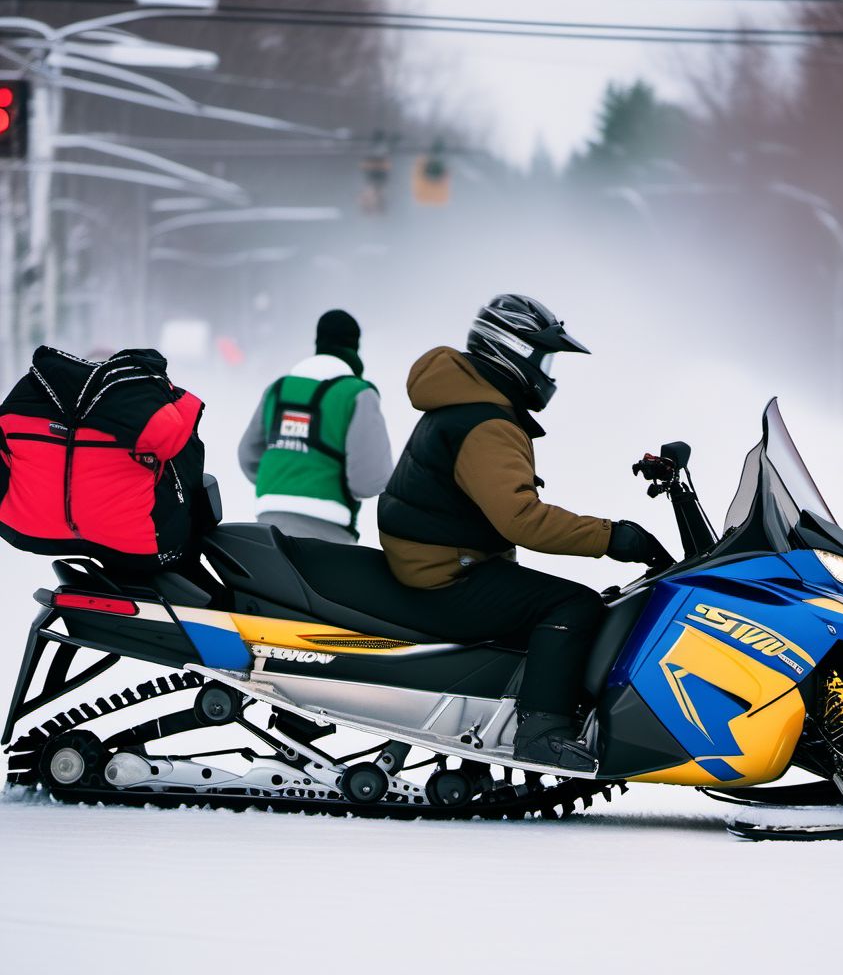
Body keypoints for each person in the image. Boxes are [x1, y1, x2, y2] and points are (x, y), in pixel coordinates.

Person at [377, 294, 669, 771]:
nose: (548, 374)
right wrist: (614, 538)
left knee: (539, 599)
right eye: (545, 359)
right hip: (445, 574)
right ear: (513, 351)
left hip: (434, 561)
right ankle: (542, 733)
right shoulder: (486, 421)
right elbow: (521, 520)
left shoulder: (466, 401)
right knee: (573, 605)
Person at [238, 309, 392, 544]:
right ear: (355, 347)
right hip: (329, 529)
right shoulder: (358, 394)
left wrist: (287, 477)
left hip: (268, 520)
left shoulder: (278, 389)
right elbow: (369, 481)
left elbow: (248, 456)